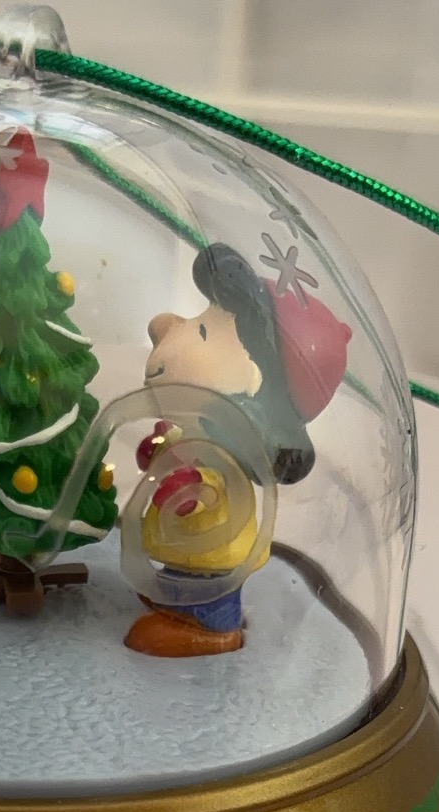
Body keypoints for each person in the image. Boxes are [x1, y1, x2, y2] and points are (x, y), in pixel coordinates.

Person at [127, 243, 350, 656]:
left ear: (251, 376)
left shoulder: (229, 453)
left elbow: (212, 487)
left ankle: (215, 630)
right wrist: (160, 451)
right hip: (186, 548)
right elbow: (168, 459)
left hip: (213, 550)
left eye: (203, 330)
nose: (163, 325)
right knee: (186, 576)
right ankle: (174, 598)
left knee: (210, 591)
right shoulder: (198, 433)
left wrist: (190, 487)